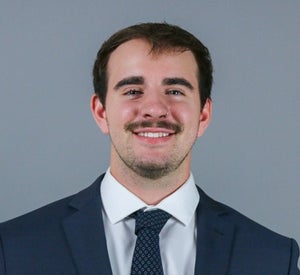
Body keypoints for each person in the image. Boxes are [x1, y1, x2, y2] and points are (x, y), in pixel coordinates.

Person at [0, 22, 299, 275]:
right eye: (133, 91)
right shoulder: (13, 248)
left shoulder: (273, 259)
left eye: (175, 91)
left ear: (203, 115)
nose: (155, 108)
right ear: (101, 112)